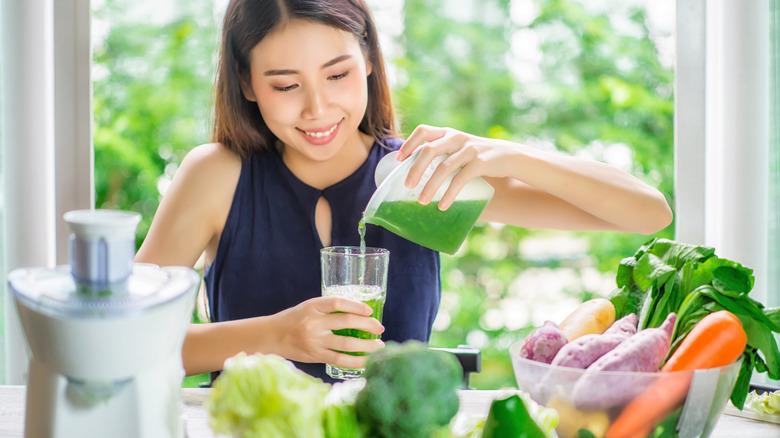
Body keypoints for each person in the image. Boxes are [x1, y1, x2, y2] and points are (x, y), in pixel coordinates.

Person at [135, 0, 673, 383]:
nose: (318, 109)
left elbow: (647, 213)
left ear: (368, 59)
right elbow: (122, 342)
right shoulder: (218, 175)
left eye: (338, 74)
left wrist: (507, 155)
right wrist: (273, 336)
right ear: (248, 83)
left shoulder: (415, 175)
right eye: (285, 85)